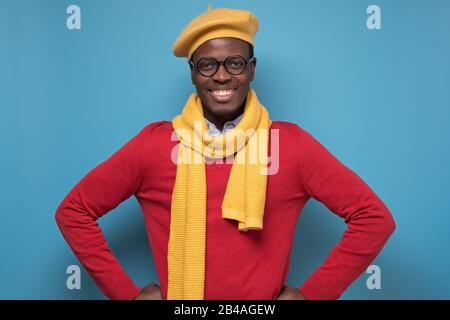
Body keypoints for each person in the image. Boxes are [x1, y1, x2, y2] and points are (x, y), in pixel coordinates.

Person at [55, 6, 396, 300]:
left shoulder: (292, 146)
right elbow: (74, 211)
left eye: (234, 63)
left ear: (251, 69)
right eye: (207, 64)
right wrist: (124, 293)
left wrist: (314, 293)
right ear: (192, 73)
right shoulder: (154, 145)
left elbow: (374, 219)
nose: (221, 76)